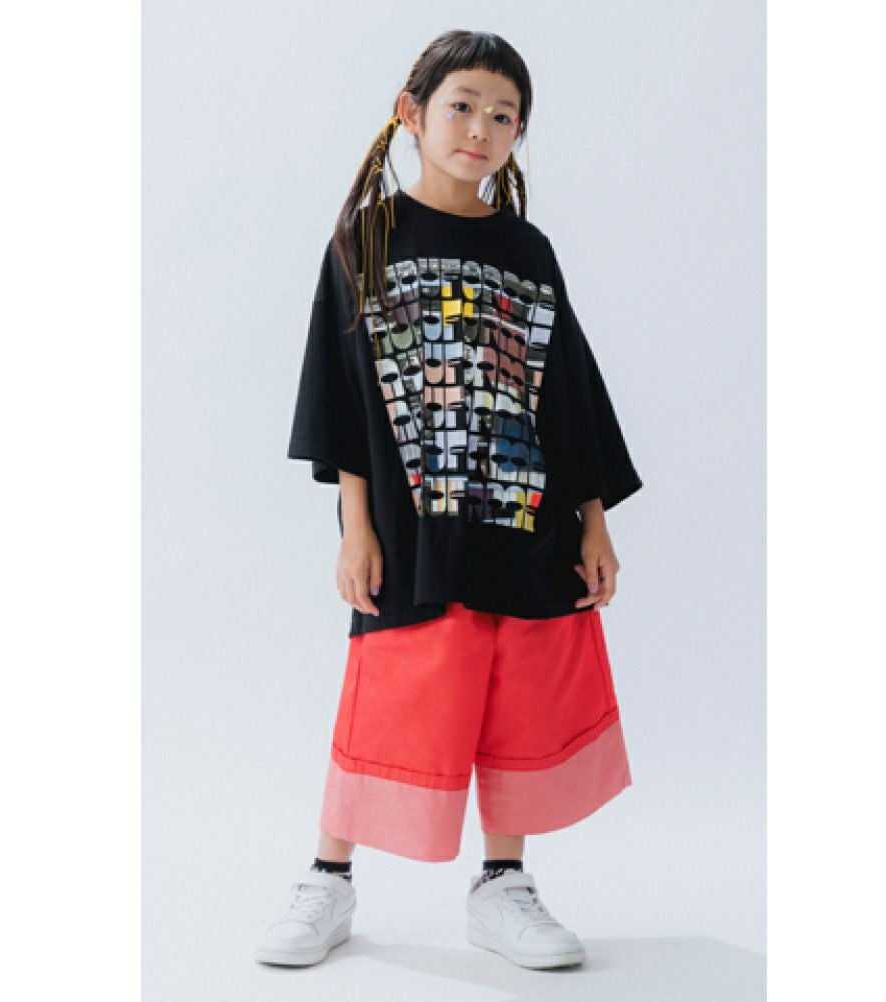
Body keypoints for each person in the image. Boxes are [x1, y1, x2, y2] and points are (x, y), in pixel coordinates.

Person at [255, 29, 644, 971]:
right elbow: (343, 393)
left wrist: (594, 522)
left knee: (518, 695)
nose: (480, 128)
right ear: (412, 114)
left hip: (525, 517)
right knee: (392, 692)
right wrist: (355, 527)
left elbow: (568, 394)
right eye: (462, 106)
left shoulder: (528, 251)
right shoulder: (367, 239)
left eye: (503, 116)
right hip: (412, 526)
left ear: (519, 136)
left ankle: (503, 884)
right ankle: (328, 879)